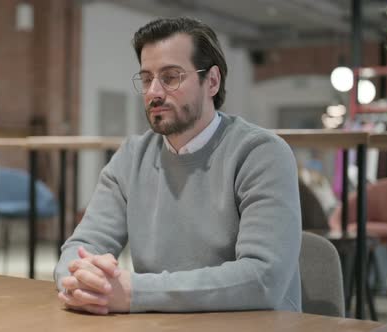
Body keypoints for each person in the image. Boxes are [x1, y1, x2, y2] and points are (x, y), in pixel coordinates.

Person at [54, 17, 301, 315]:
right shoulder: (131, 157)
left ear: (211, 81)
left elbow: (263, 279)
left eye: (170, 77)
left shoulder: (261, 154)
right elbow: (81, 246)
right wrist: (83, 277)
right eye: (146, 79)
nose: (154, 92)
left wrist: (136, 292)